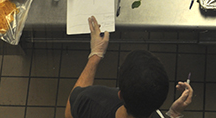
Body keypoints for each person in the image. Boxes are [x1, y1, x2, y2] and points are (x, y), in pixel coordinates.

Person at [65, 16, 193, 118]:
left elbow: (71, 112)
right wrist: (174, 113)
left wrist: (95, 56)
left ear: (120, 95)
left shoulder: (93, 100)